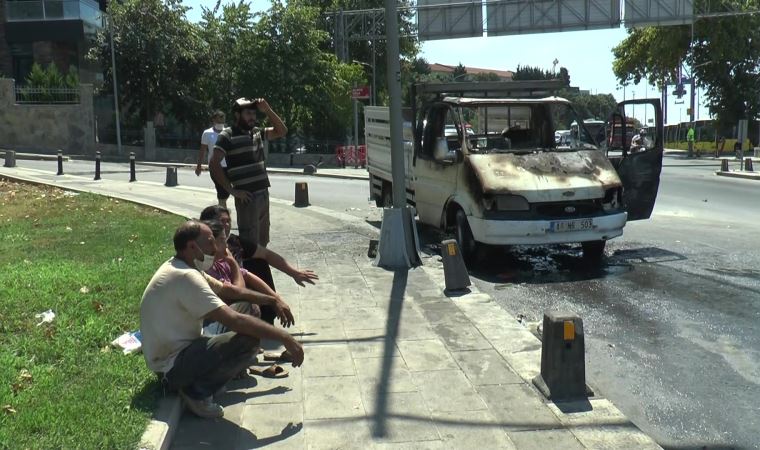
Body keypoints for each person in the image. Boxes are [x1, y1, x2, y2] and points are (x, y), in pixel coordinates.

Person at [139, 220, 304, 419]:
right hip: (172, 367)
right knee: (249, 339)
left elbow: (228, 290)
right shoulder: (185, 277)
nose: (216, 248)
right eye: (210, 242)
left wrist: (273, 299)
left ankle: (208, 377)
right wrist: (285, 338)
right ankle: (196, 392)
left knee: (247, 307)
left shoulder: (184, 267)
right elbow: (235, 321)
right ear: (192, 246)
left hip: (188, 346)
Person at [199, 205, 317, 328]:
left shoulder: (233, 244)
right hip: (221, 310)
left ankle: (267, 318)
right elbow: (238, 291)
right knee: (246, 304)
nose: (227, 225)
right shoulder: (205, 265)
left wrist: (293, 274)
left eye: (228, 221)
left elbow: (264, 256)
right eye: (222, 221)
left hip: (236, 287)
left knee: (259, 263)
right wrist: (232, 262)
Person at [210, 98, 287, 249]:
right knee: (250, 243)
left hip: (263, 193)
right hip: (247, 197)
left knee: (263, 241)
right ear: (237, 115)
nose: (252, 117)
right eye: (247, 113)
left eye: (254, 113)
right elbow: (213, 163)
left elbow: (282, 131)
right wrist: (232, 190)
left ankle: (260, 270)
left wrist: (268, 110)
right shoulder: (227, 135)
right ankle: (249, 270)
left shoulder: (257, 132)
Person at [196, 111, 229, 208]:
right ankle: (223, 212)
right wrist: (199, 166)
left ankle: (221, 209)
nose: (221, 119)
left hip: (228, 166)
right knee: (221, 190)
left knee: (226, 191)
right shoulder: (207, 133)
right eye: (219, 117)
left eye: (223, 117)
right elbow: (202, 151)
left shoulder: (228, 132)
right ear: (214, 119)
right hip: (215, 167)